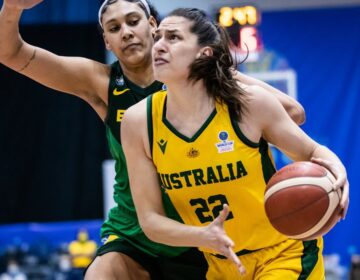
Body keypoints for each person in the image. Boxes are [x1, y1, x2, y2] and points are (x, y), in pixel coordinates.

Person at [0, 0, 305, 279]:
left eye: (133, 21)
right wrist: (12, 8)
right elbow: (9, 53)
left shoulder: (203, 78)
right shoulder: (101, 82)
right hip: (135, 231)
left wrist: (223, 76)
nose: (126, 33)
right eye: (114, 28)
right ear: (106, 40)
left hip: (197, 235)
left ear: (153, 24)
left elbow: (292, 111)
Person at [121, 8, 350, 279]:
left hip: (283, 253)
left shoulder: (246, 104)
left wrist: (338, 170)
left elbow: (311, 151)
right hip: (221, 264)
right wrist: (202, 235)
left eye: (173, 37)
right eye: (157, 37)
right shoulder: (138, 122)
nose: (158, 45)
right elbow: (150, 221)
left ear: (204, 53)